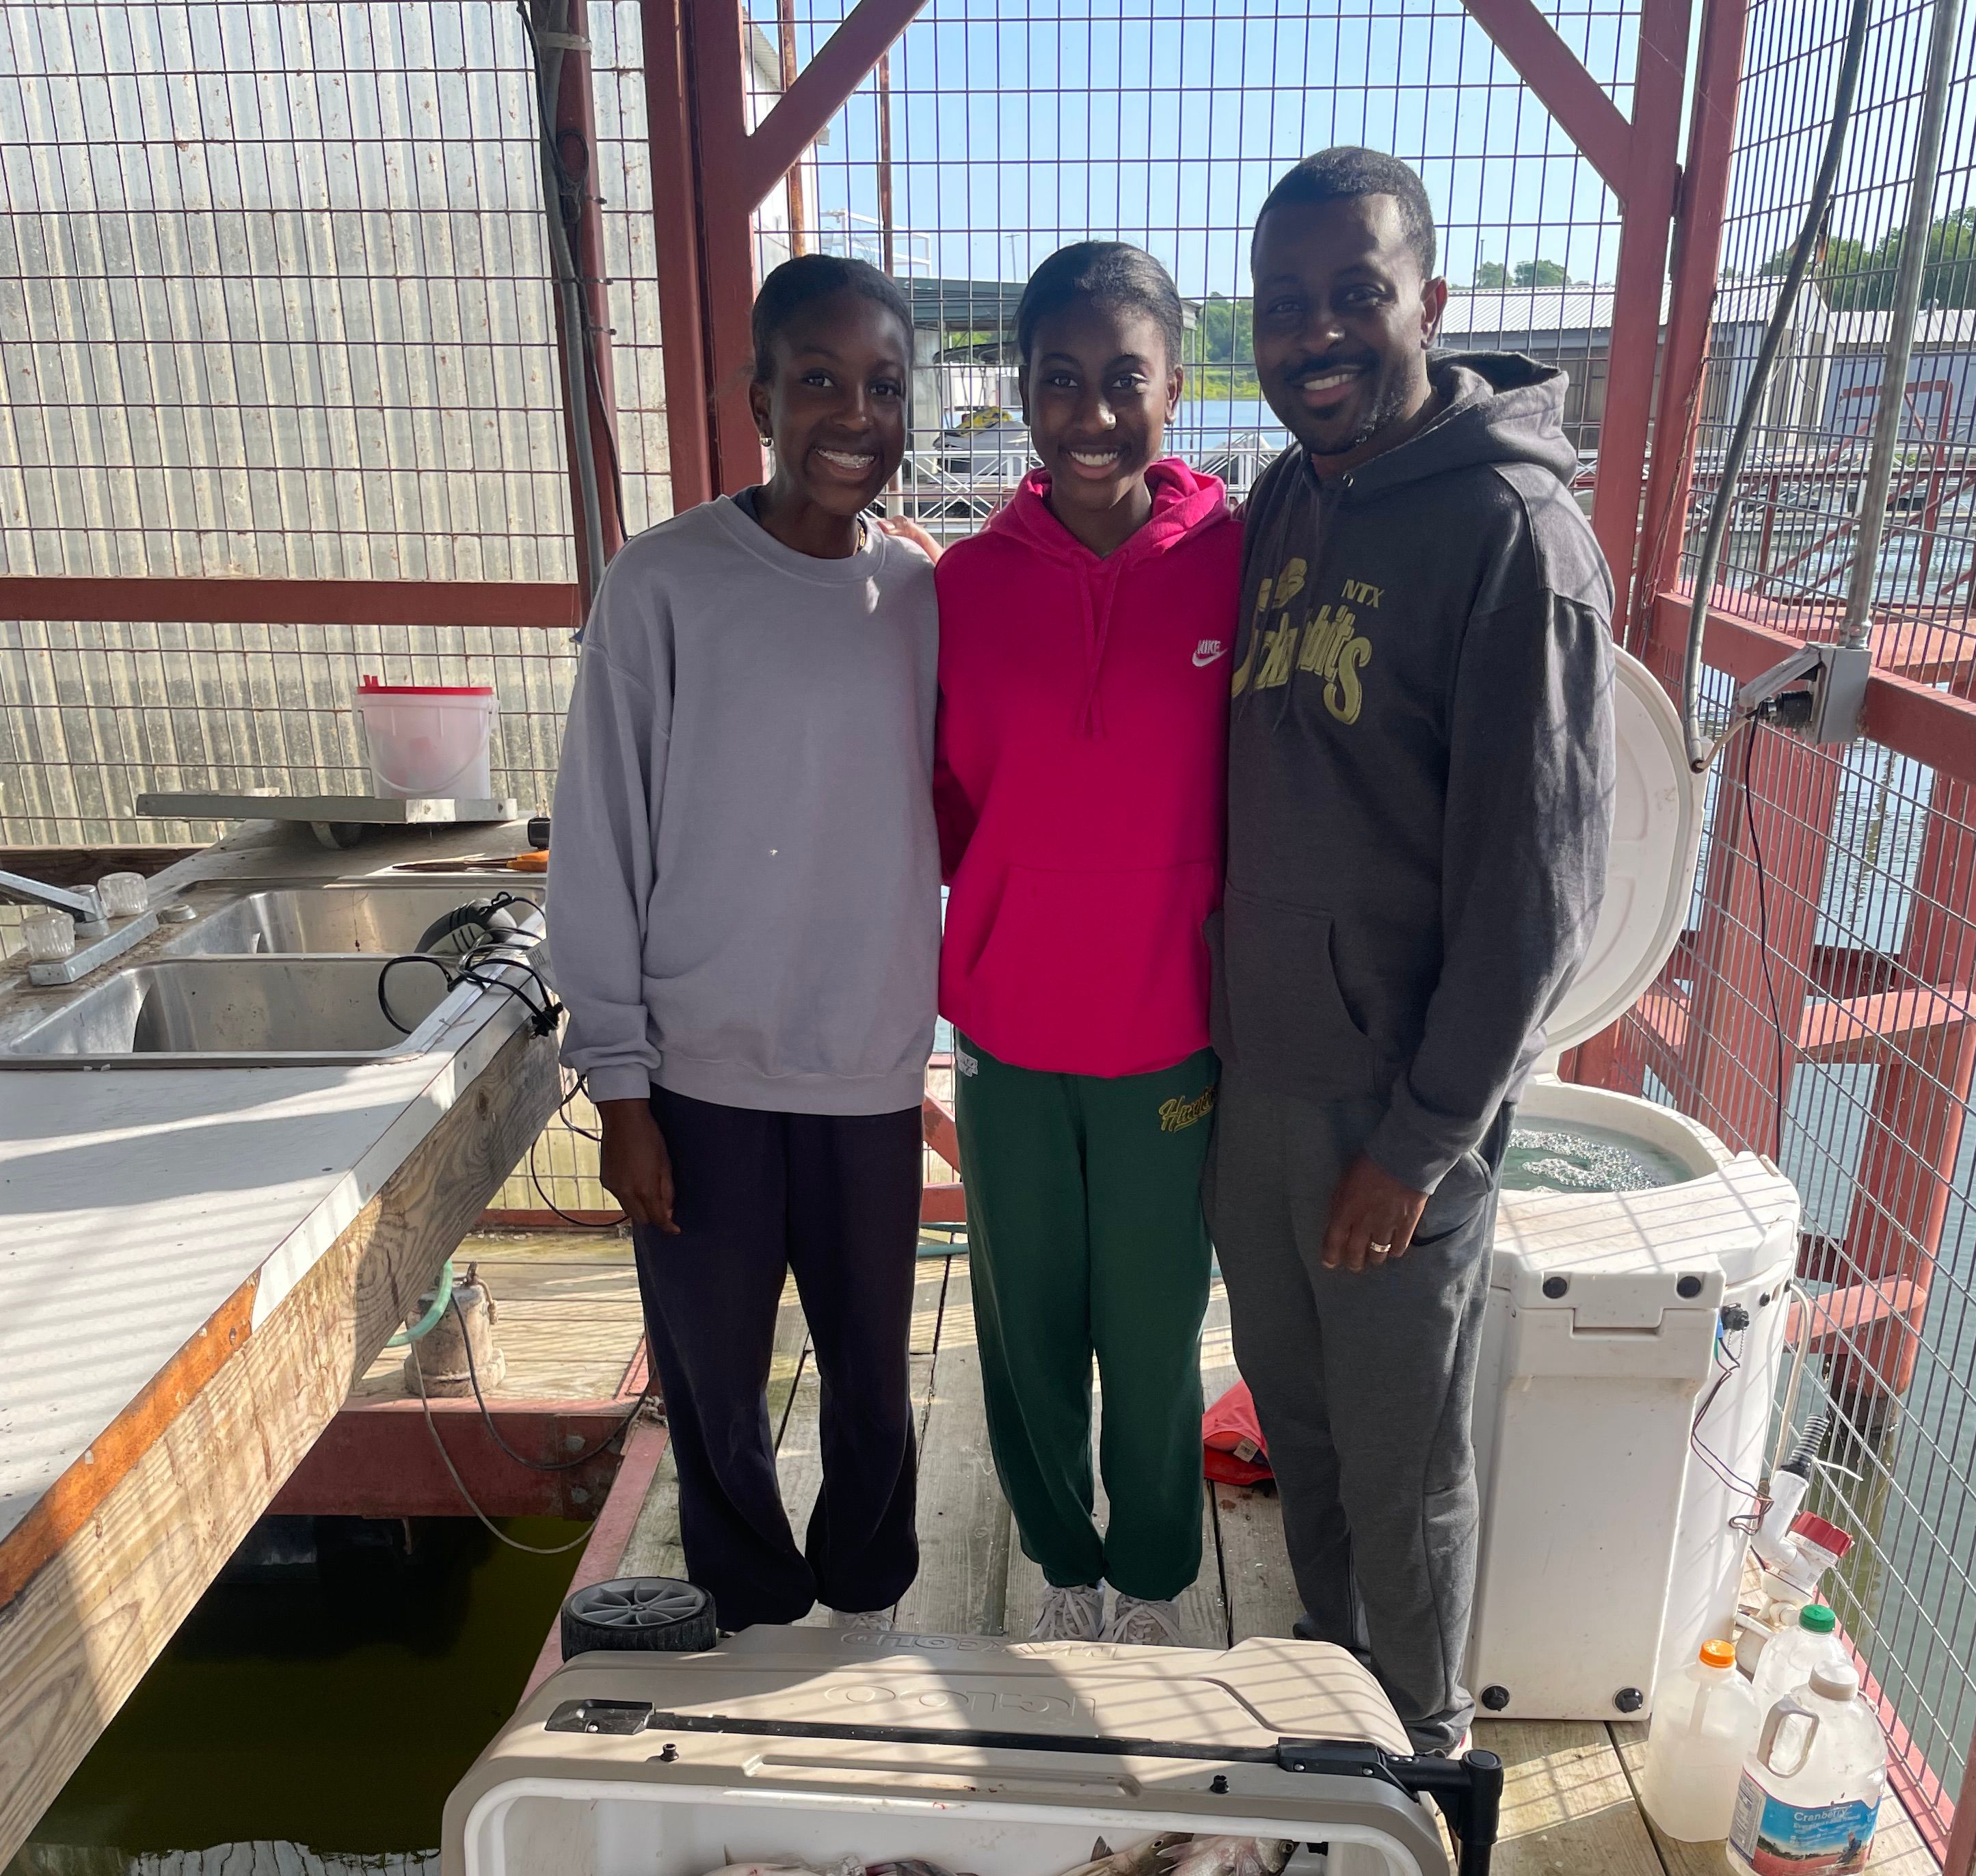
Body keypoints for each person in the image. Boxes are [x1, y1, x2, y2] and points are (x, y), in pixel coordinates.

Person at [1207, 147, 1616, 1752]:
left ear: (1428, 306)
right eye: (1285, 301)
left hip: (1395, 1116)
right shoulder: (1283, 499)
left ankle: (1427, 1756)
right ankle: (1330, 1702)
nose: (1316, 331)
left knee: (1402, 1459)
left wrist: (1424, 1143)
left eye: (1355, 294)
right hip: (1261, 1087)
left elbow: (1541, 893)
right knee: (1301, 1432)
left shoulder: (1517, 537)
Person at [546, 254, 940, 1637]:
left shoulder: (925, 602)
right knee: (715, 1369)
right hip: (701, 1076)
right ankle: (750, 1601)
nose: (854, 413)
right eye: (819, 379)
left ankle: (870, 1594)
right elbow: (598, 839)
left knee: (870, 1373)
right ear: (757, 395)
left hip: (868, 1070)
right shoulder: (664, 585)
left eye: (884, 385)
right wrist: (620, 1085)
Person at [933, 241, 1241, 1647]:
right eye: (1062, 381)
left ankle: (1160, 1574)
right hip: (1006, 1028)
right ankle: (1059, 1559)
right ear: (1026, 394)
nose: (1094, 413)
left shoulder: (1238, 564)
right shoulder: (965, 586)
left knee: (1158, 1327)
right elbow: (941, 803)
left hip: (1170, 1026)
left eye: (1125, 379)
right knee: (1026, 1326)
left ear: (1175, 386)